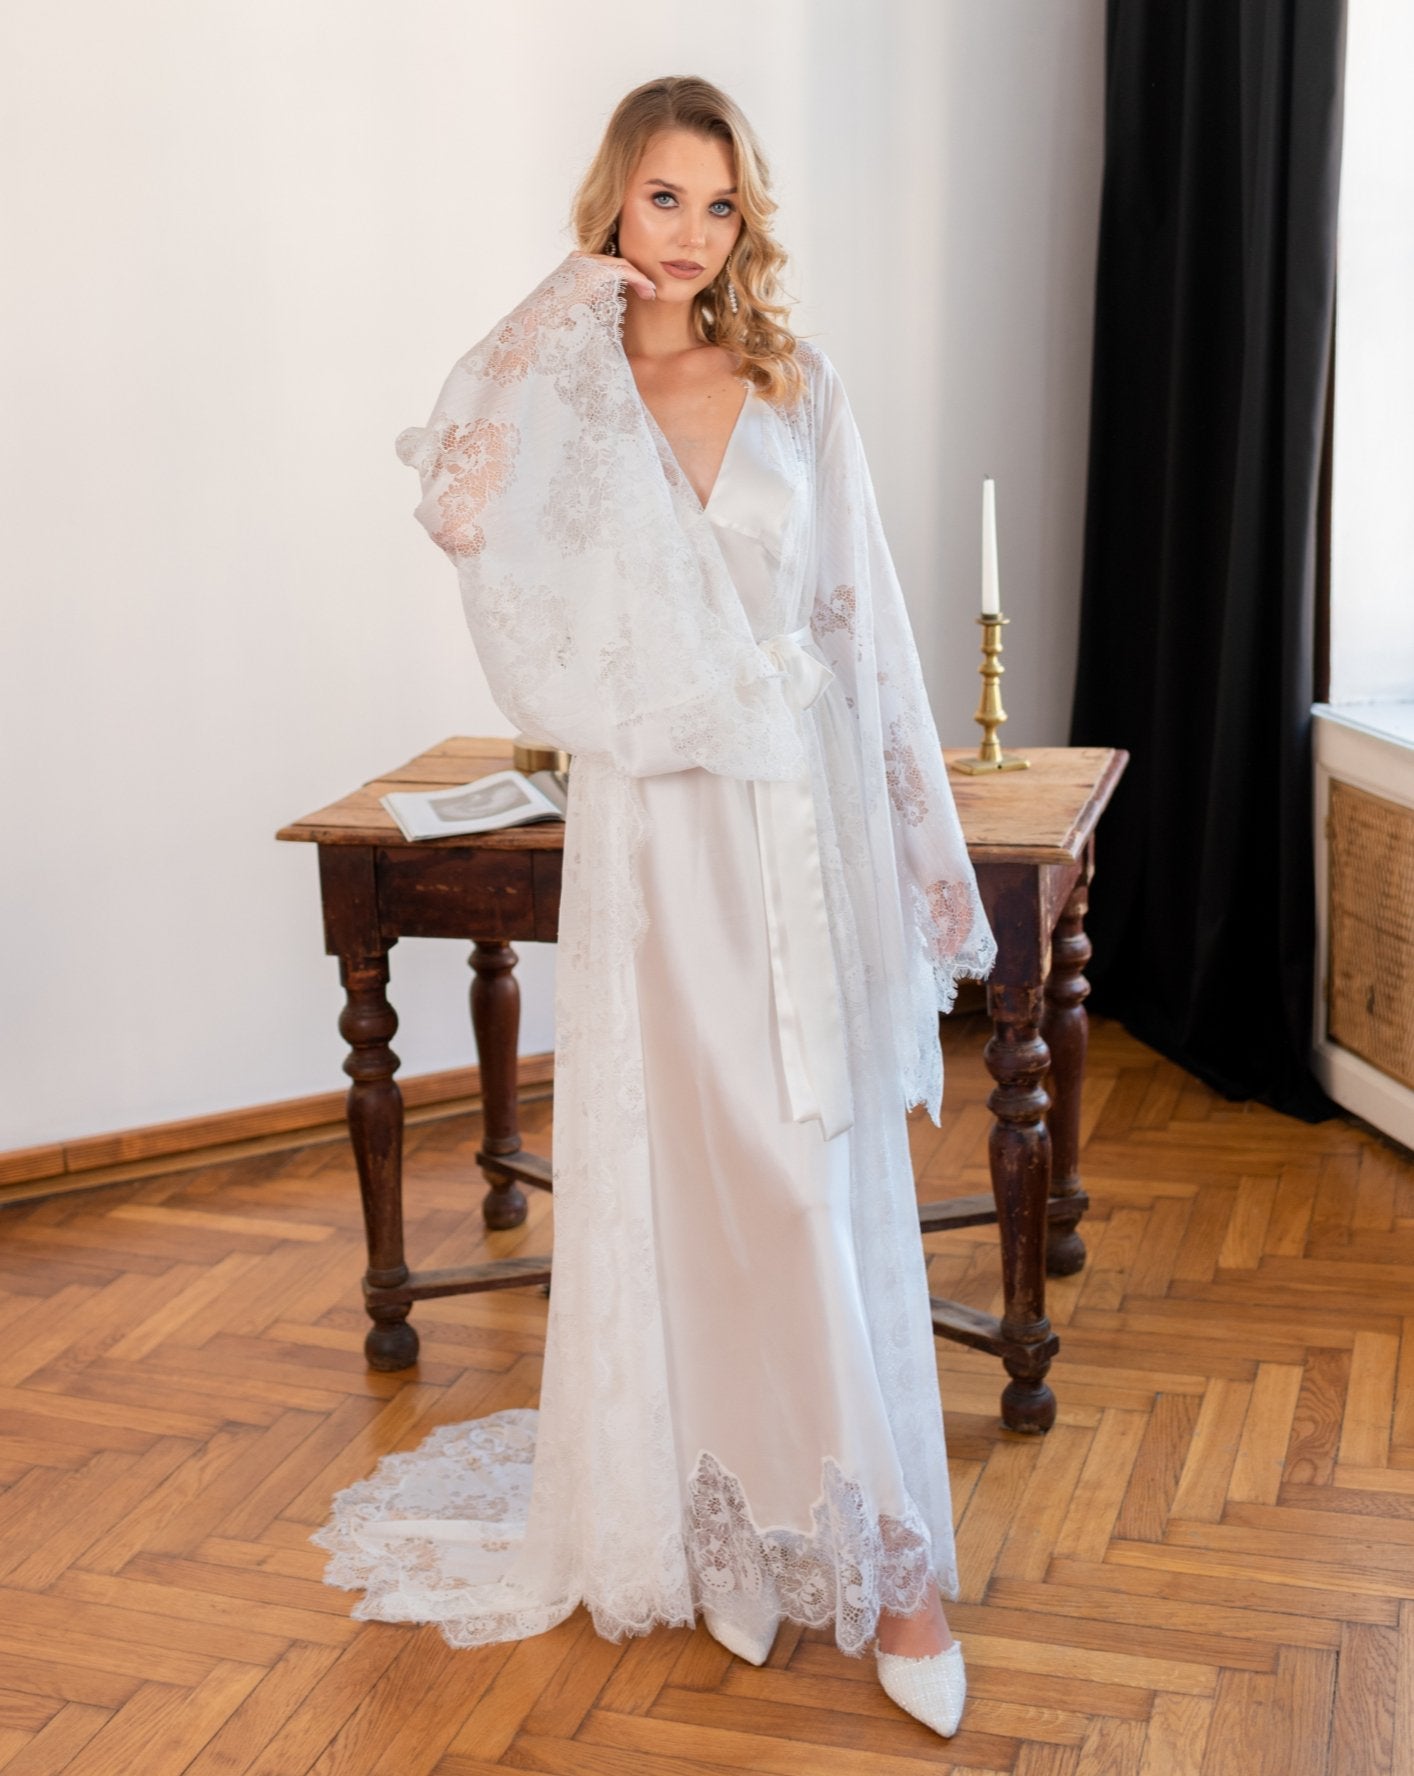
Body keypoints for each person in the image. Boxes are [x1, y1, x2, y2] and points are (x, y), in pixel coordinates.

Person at [313, 75, 997, 1742]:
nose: (688, 236)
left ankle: (894, 1569)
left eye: (715, 204)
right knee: (689, 1192)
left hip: (780, 828)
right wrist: (561, 306)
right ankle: (738, 1544)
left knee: (796, 1178)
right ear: (613, 208)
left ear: (744, 220)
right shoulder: (568, 396)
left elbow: (859, 625)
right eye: (658, 201)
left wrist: (920, 864)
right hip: (648, 844)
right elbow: (453, 498)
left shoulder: (792, 380)